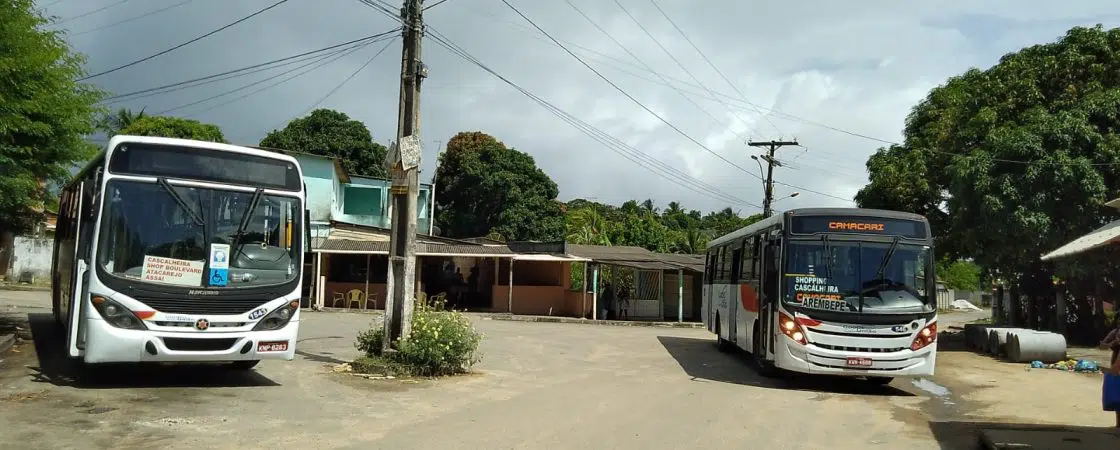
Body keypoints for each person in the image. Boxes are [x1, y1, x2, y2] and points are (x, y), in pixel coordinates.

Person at [1101, 320, 1120, 428]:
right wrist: (1112, 344)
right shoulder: (1115, 332)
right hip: (1116, 366)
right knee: (1118, 395)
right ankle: (1118, 424)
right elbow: (1101, 347)